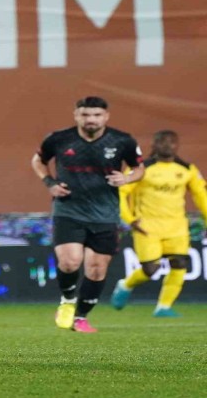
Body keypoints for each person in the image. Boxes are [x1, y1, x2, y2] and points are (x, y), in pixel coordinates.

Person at [31, 96, 144, 333]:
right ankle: (67, 299)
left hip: (105, 214)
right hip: (68, 209)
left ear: (106, 116)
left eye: (96, 115)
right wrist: (49, 182)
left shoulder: (122, 140)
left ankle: (81, 317)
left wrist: (127, 178)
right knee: (69, 262)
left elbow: (139, 168)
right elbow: (38, 161)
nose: (91, 119)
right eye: (85, 114)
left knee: (97, 269)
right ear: (76, 115)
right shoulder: (59, 139)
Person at [111, 130, 207, 316]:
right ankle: (125, 284)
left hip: (177, 227)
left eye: (172, 141)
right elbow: (121, 192)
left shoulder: (187, 169)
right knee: (150, 269)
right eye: (163, 141)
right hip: (147, 226)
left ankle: (164, 306)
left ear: (177, 145)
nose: (168, 145)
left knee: (179, 263)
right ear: (154, 145)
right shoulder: (141, 169)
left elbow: (201, 195)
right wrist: (130, 219)